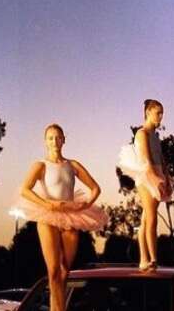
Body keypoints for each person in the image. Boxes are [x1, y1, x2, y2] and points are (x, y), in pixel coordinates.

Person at [17, 123, 107, 311]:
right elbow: (24, 190)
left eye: (58, 137)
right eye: (50, 138)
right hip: (48, 216)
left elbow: (95, 188)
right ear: (45, 142)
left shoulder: (72, 165)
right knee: (53, 270)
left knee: (65, 271)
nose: (55, 141)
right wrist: (47, 204)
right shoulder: (41, 165)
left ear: (64, 140)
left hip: (70, 217)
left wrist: (86, 205)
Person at [118, 99, 172, 271]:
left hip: (158, 173)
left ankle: (144, 259)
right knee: (151, 218)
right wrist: (156, 180)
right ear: (148, 113)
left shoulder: (155, 135)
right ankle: (153, 258)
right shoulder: (142, 134)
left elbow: (161, 159)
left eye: (162, 113)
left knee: (146, 218)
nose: (160, 117)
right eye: (158, 113)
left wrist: (167, 178)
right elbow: (146, 161)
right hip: (147, 175)